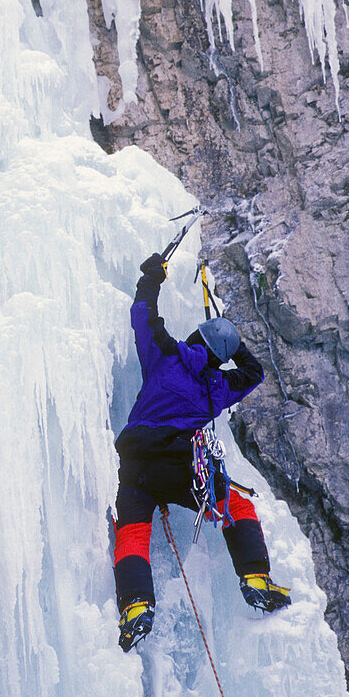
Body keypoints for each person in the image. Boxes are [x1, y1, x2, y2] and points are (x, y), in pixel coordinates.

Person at [114, 252, 291, 652]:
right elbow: (254, 373)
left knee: (132, 532)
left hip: (135, 466)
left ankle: (136, 606)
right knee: (236, 505)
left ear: (196, 338)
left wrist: (152, 277)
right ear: (220, 356)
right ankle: (255, 578)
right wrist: (234, 347)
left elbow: (144, 315)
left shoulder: (166, 354)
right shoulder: (218, 389)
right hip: (182, 467)